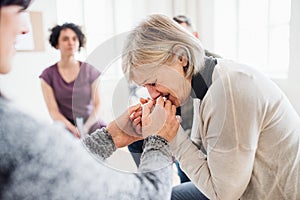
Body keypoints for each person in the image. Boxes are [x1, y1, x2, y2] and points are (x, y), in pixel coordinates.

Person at [0, 2, 180, 199]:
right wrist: (159, 139)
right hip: (67, 130)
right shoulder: (22, 135)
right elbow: (148, 195)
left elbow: (95, 107)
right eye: (19, 11)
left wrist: (110, 136)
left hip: (91, 127)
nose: (26, 28)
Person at [122, 14, 300, 200]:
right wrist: (159, 133)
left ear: (181, 57)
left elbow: (223, 196)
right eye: (146, 87)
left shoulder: (228, 92)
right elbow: (200, 153)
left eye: (153, 83)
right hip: (244, 187)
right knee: (170, 195)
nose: (152, 95)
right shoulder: (206, 81)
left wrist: (173, 135)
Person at [39, 23, 105, 138]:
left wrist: (85, 127)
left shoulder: (90, 70)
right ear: (56, 44)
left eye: (74, 38)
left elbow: (98, 104)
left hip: (91, 122)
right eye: (65, 39)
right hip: (64, 126)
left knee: (103, 135)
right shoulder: (47, 75)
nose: (71, 42)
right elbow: (53, 111)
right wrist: (72, 129)